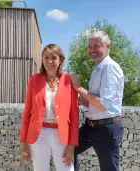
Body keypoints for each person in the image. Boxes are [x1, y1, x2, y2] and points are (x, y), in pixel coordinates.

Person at [19, 44, 79, 171]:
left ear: (60, 60)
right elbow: (27, 113)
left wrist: (71, 146)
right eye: (46, 57)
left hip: (62, 135)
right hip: (39, 134)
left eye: (53, 57)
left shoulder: (69, 80)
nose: (49, 61)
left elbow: (74, 116)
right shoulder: (34, 80)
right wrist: (23, 144)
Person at [71, 30, 124, 171]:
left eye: (97, 46)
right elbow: (92, 103)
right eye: (90, 47)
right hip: (91, 127)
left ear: (108, 47)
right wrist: (74, 97)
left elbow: (103, 104)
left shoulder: (110, 68)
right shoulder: (97, 69)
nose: (92, 50)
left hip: (106, 129)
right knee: (69, 150)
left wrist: (78, 87)